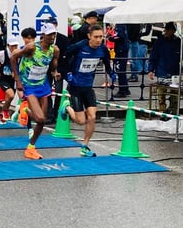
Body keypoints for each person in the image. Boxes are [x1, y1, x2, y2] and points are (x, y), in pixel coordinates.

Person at [61, 25, 115, 157]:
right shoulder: (79, 47)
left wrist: (112, 74)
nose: (99, 40)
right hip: (75, 87)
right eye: (96, 37)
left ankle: (84, 146)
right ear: (89, 36)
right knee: (81, 121)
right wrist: (67, 74)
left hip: (88, 87)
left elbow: (107, 64)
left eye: (101, 37)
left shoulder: (102, 49)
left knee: (92, 117)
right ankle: (67, 107)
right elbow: (63, 59)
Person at [10, 23, 60, 159]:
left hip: (43, 84)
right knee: (40, 118)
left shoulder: (54, 50)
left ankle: (31, 147)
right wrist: (17, 79)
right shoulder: (32, 47)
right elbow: (13, 57)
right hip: (29, 85)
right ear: (43, 36)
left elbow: (54, 62)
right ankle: (25, 110)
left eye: (54, 34)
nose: (52, 37)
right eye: (49, 34)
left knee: (43, 121)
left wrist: (55, 72)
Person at [148, 22, 183, 113]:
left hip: (175, 71)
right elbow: (153, 56)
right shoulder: (159, 41)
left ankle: (173, 110)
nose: (167, 32)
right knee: (161, 93)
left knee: (174, 93)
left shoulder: (178, 41)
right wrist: (151, 70)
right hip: (162, 70)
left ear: (173, 31)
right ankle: (162, 111)